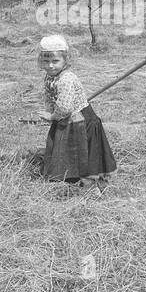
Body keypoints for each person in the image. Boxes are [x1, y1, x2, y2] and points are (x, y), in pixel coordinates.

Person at [36, 34, 116, 190]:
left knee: (81, 147)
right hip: (65, 116)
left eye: (55, 61)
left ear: (65, 60)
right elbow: (49, 97)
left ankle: (89, 181)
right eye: (46, 61)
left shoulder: (66, 79)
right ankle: (68, 174)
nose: (51, 65)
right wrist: (50, 111)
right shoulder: (50, 77)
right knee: (66, 144)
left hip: (80, 118)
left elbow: (65, 108)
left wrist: (52, 116)